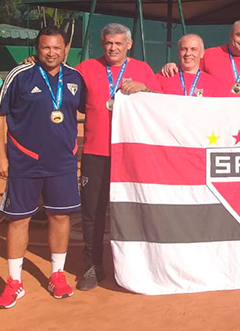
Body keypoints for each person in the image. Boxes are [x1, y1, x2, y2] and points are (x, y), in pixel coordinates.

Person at [0, 26, 85, 308]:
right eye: (46, 47)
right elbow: (2, 115)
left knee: (60, 217)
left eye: (57, 47)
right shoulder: (19, 75)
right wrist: (2, 157)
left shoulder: (75, 77)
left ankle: (57, 275)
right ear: (37, 48)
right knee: (18, 219)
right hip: (25, 160)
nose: (51, 53)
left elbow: (90, 108)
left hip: (62, 162)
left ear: (66, 49)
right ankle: (14, 281)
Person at [74, 23, 161, 291]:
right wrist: (34, 62)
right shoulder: (86, 68)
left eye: (118, 43)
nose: (113, 48)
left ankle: (136, 267)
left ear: (129, 44)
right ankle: (93, 265)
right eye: (108, 43)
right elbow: (63, 86)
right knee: (93, 212)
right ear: (102, 43)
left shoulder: (143, 70)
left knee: (134, 211)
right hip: (96, 153)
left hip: (131, 155)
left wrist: (145, 89)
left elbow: (161, 103)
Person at [156, 33, 224, 97]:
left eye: (193, 49)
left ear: (202, 53)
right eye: (184, 49)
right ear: (178, 52)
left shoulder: (213, 84)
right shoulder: (164, 77)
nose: (188, 53)